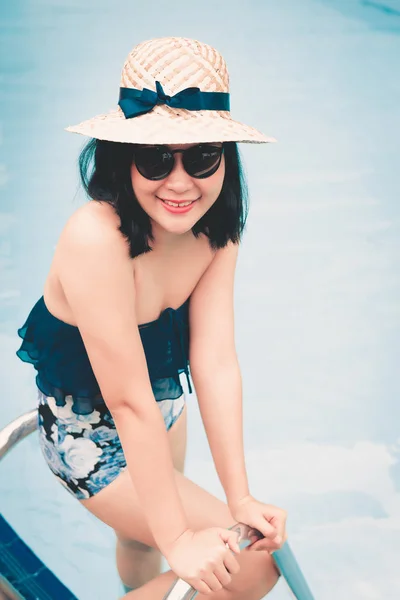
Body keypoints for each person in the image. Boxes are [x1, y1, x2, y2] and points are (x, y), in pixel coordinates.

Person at [16, 36, 287, 599]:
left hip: (162, 412)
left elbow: (213, 361)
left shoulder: (217, 225)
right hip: (89, 438)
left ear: (225, 158)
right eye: (157, 158)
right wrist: (180, 536)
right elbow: (126, 401)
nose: (182, 183)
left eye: (203, 157)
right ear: (123, 159)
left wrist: (240, 498)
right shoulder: (96, 239)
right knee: (254, 570)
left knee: (144, 544)